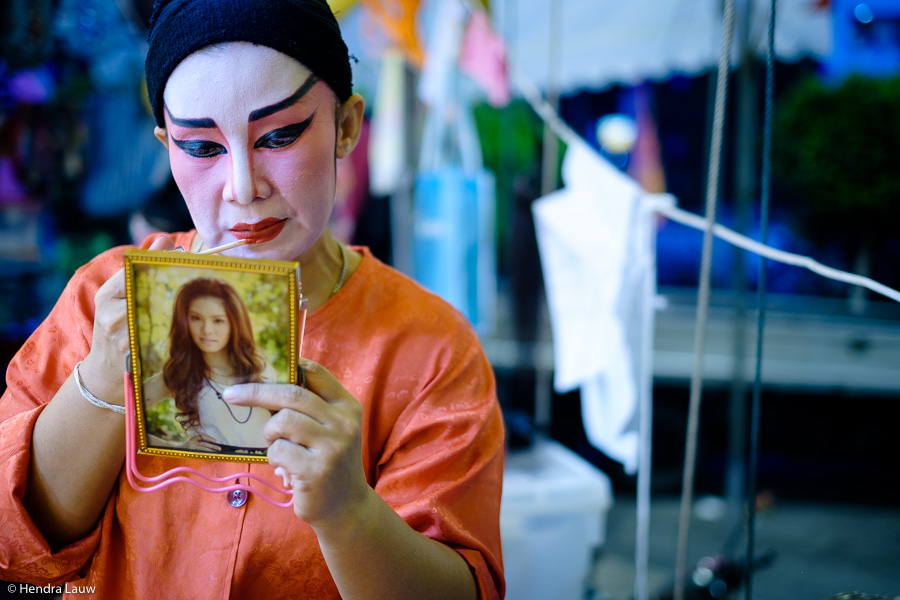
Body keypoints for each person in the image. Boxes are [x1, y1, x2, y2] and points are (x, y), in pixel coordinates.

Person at [0, 1, 505, 599]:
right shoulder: (101, 304)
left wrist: (349, 513)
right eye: (201, 147)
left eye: (280, 135)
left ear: (346, 126)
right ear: (165, 143)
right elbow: (19, 550)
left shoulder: (428, 348)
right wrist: (103, 384)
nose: (243, 187)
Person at [142, 277, 275, 451]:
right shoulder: (179, 375)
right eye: (196, 318)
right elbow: (122, 420)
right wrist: (177, 447)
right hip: (207, 475)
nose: (207, 330)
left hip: (265, 474)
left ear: (234, 324)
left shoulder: (262, 370)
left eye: (218, 320)